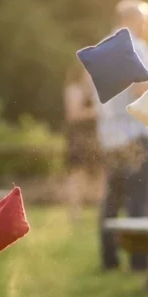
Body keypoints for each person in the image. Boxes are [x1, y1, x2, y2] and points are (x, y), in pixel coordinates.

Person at [97, 0, 148, 271]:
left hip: (110, 134)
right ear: (133, 20)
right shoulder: (136, 46)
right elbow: (140, 89)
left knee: (112, 198)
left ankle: (109, 258)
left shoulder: (104, 46)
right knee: (137, 199)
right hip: (134, 133)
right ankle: (139, 259)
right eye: (146, 20)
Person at [63, 60, 100, 221]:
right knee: (77, 176)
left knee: (99, 175)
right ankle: (75, 214)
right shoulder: (73, 90)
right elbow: (73, 114)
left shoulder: (95, 91)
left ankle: (99, 212)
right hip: (78, 138)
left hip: (95, 138)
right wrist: (96, 112)